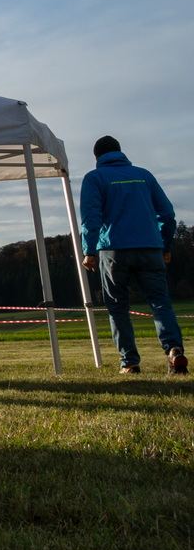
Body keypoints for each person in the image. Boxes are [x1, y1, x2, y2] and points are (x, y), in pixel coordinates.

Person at [79, 136, 183, 376]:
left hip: (113, 251)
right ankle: (174, 349)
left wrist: (89, 251)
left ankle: (129, 362)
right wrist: (165, 246)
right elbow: (168, 215)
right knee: (160, 303)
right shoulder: (144, 175)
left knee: (118, 307)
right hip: (150, 248)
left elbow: (91, 218)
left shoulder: (94, 178)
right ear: (120, 152)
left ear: (97, 157)